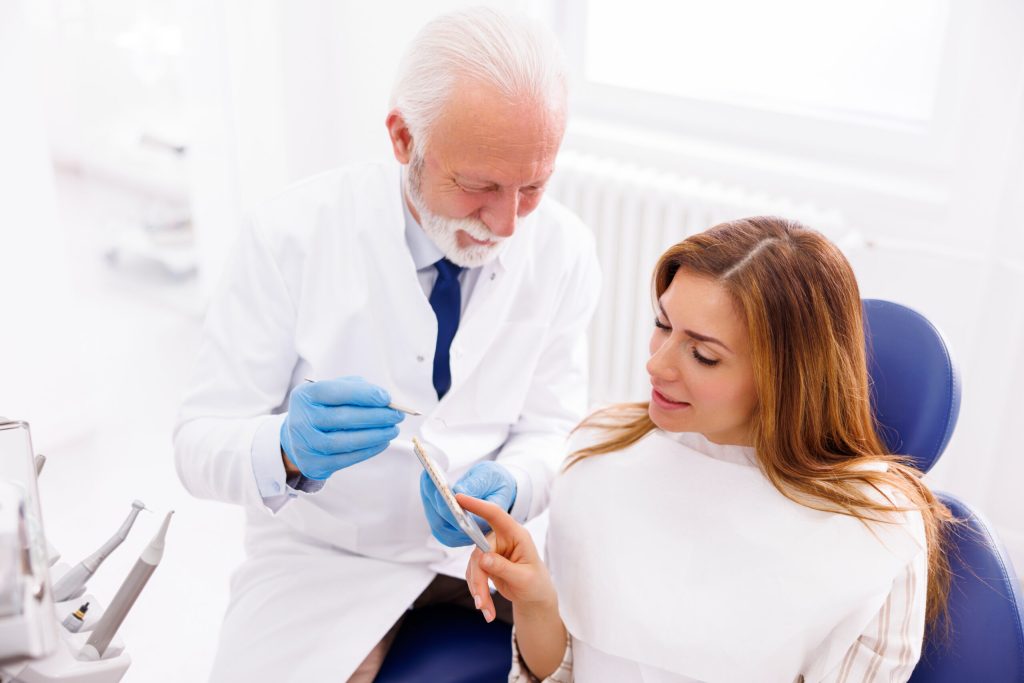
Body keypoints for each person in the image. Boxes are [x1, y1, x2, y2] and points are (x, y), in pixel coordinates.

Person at [172, 8, 600, 682]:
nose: (508, 223)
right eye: (480, 187)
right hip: (325, 562)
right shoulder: (290, 236)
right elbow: (196, 444)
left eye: (533, 187)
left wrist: (514, 484)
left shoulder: (564, 249)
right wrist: (286, 448)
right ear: (404, 138)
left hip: (481, 556)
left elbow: (553, 428)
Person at [461, 217, 955, 682]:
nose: (657, 366)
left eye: (703, 355)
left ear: (786, 378)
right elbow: (561, 672)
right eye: (662, 324)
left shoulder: (876, 531)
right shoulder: (600, 449)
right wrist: (536, 600)